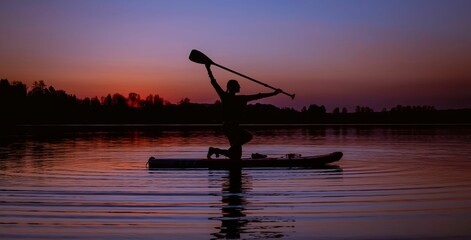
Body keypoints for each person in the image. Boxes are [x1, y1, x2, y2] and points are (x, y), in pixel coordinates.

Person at [205, 64, 281, 160]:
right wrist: (273, 94)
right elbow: (214, 82)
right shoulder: (229, 97)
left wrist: (273, 94)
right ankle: (220, 151)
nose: (239, 87)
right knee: (248, 136)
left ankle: (215, 150)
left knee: (235, 156)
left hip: (230, 127)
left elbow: (258, 96)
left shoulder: (234, 97)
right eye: (237, 85)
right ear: (233, 87)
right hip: (229, 127)